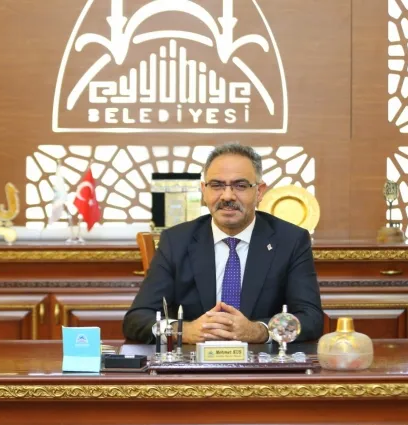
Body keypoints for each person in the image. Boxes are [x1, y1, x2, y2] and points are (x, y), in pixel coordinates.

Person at [123, 143, 323, 344]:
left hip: (259, 360)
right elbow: (137, 318)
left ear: (259, 191)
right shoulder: (176, 241)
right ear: (204, 190)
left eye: (240, 185)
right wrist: (182, 331)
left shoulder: (290, 240)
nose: (227, 196)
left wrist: (260, 331)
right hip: (194, 360)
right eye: (217, 185)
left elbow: (311, 318)